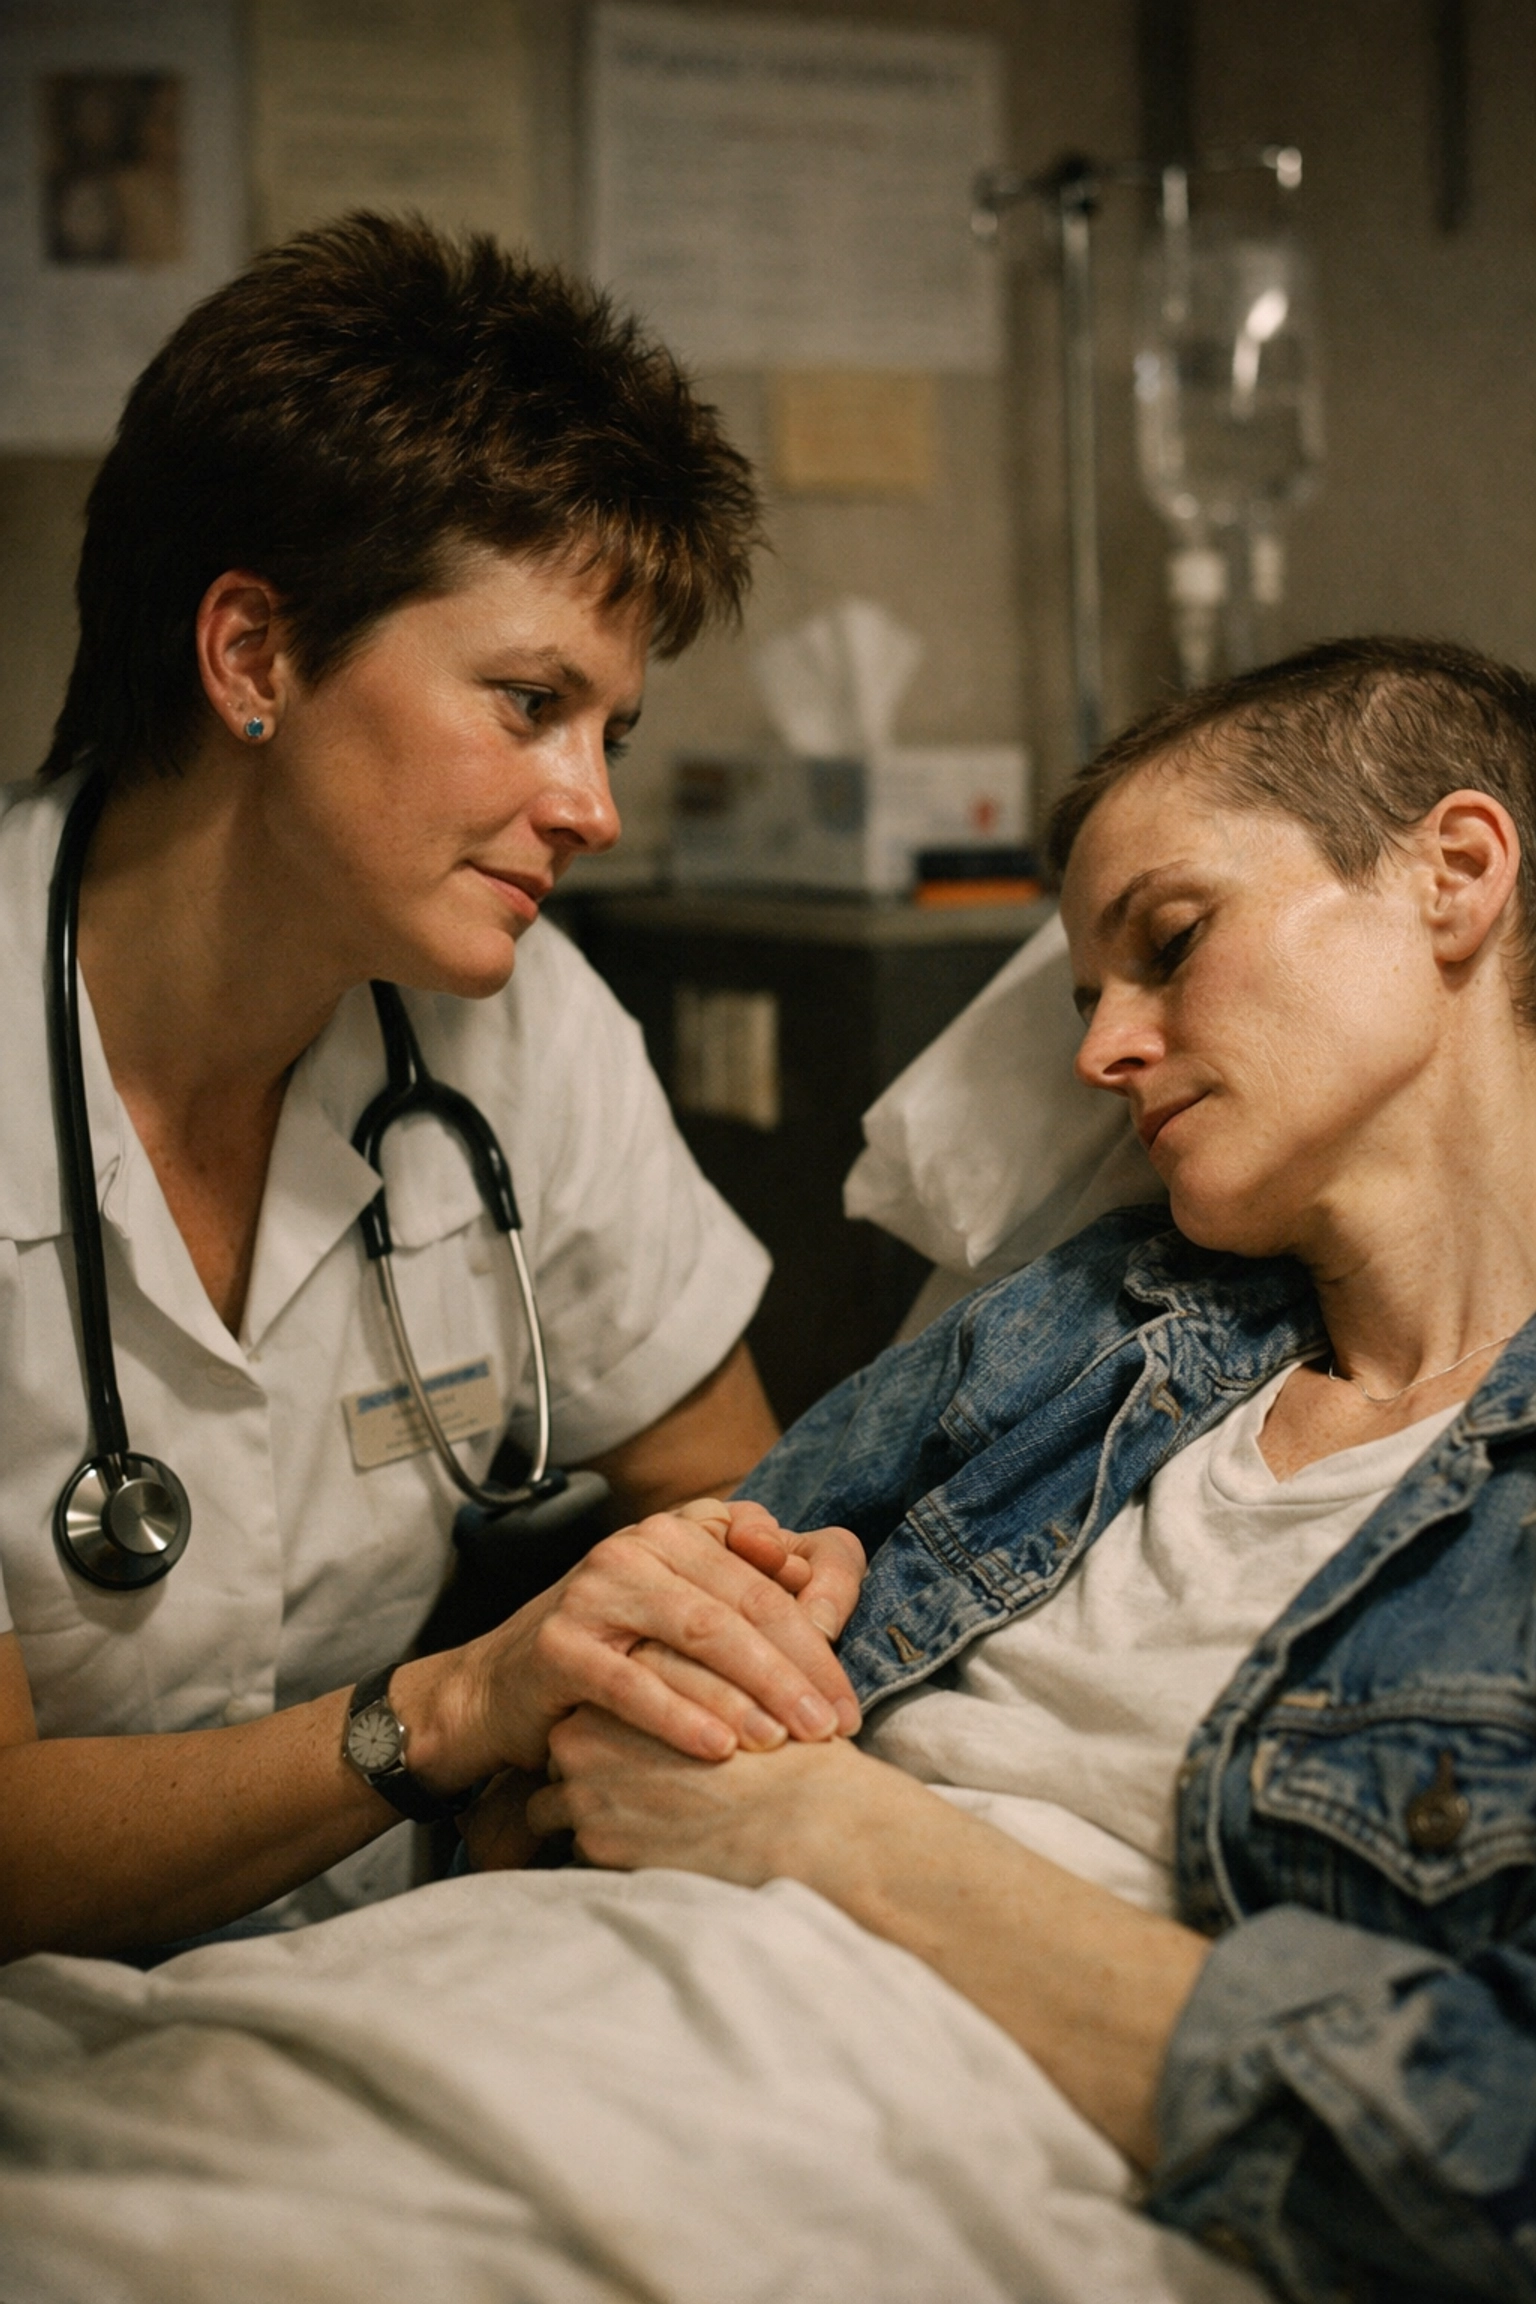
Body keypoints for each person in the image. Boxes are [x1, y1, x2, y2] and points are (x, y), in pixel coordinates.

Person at [522, 638, 1536, 2304]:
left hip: (856, 2179)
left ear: (1454, 874)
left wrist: (827, 1829)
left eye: (1171, 943)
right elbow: (563, 1750)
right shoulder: (1072, 1334)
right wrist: (700, 1641)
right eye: (1084, 998)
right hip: (547, 1998)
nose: (1099, 1056)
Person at [0, 213, 866, 1966]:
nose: (593, 806)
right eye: (531, 702)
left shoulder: (522, 1031)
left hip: (394, 1967)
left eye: (607, 731)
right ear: (254, 656)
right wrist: (454, 1713)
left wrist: (690, 1668)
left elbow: (742, 1517)